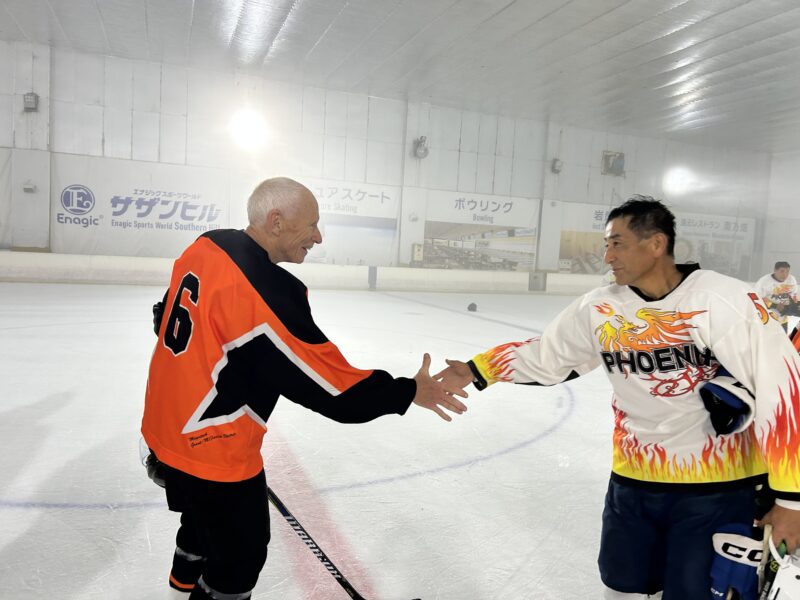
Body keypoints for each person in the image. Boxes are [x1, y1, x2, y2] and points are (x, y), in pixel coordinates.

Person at [435, 195, 800, 599]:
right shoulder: (601, 307)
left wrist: (792, 499)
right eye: (606, 245)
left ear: (656, 243)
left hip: (718, 488)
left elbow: (782, 390)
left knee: (695, 592)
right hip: (634, 480)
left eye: (617, 244)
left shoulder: (721, 298)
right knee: (623, 587)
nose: (607, 256)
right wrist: (477, 369)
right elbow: (549, 356)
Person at [141, 177, 468, 600]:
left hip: (164, 431)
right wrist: (408, 391)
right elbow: (336, 391)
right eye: (311, 225)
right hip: (213, 449)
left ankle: (178, 591)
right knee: (239, 558)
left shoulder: (208, 245)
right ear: (276, 221)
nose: (318, 237)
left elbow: (163, 314)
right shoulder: (266, 291)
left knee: (200, 526)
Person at [756, 261, 799, 331]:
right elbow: (757, 298)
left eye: (787, 271)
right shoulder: (764, 282)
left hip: (783, 318)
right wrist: (775, 306)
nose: (785, 274)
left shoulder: (791, 279)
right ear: (775, 270)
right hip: (767, 317)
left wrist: (794, 305)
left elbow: (794, 294)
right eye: (782, 271)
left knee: (782, 337)